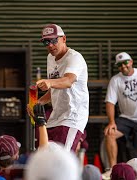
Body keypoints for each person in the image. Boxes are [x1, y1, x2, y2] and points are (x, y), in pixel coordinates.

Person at [27, 23, 89, 152]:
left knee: (60, 160)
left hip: (72, 117)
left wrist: (49, 82)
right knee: (44, 154)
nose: (50, 45)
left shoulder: (74, 58)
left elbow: (68, 81)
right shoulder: (50, 58)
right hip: (55, 117)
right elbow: (55, 88)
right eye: (46, 42)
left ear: (64, 39)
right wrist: (38, 103)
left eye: (54, 40)